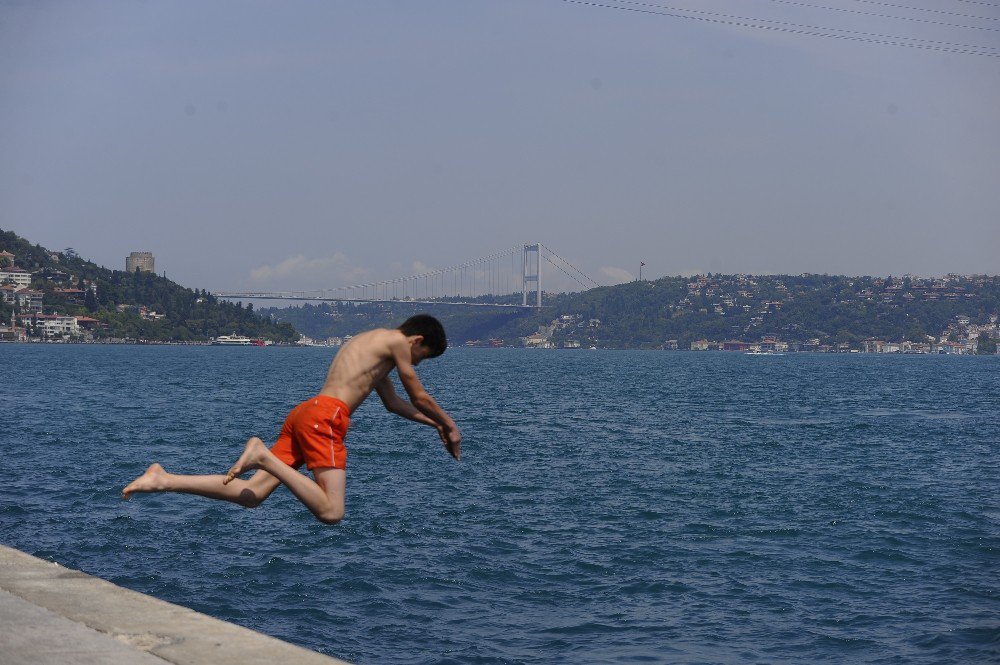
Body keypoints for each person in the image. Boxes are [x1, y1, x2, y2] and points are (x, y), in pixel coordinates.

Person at [123, 314, 461, 524]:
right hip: (325, 419)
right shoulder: (398, 342)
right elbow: (418, 395)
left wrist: (435, 427)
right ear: (417, 340)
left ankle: (163, 479)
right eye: (421, 357)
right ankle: (262, 457)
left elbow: (393, 404)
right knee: (332, 511)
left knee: (252, 495)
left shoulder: (371, 344)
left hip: (307, 413)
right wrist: (451, 425)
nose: (415, 364)